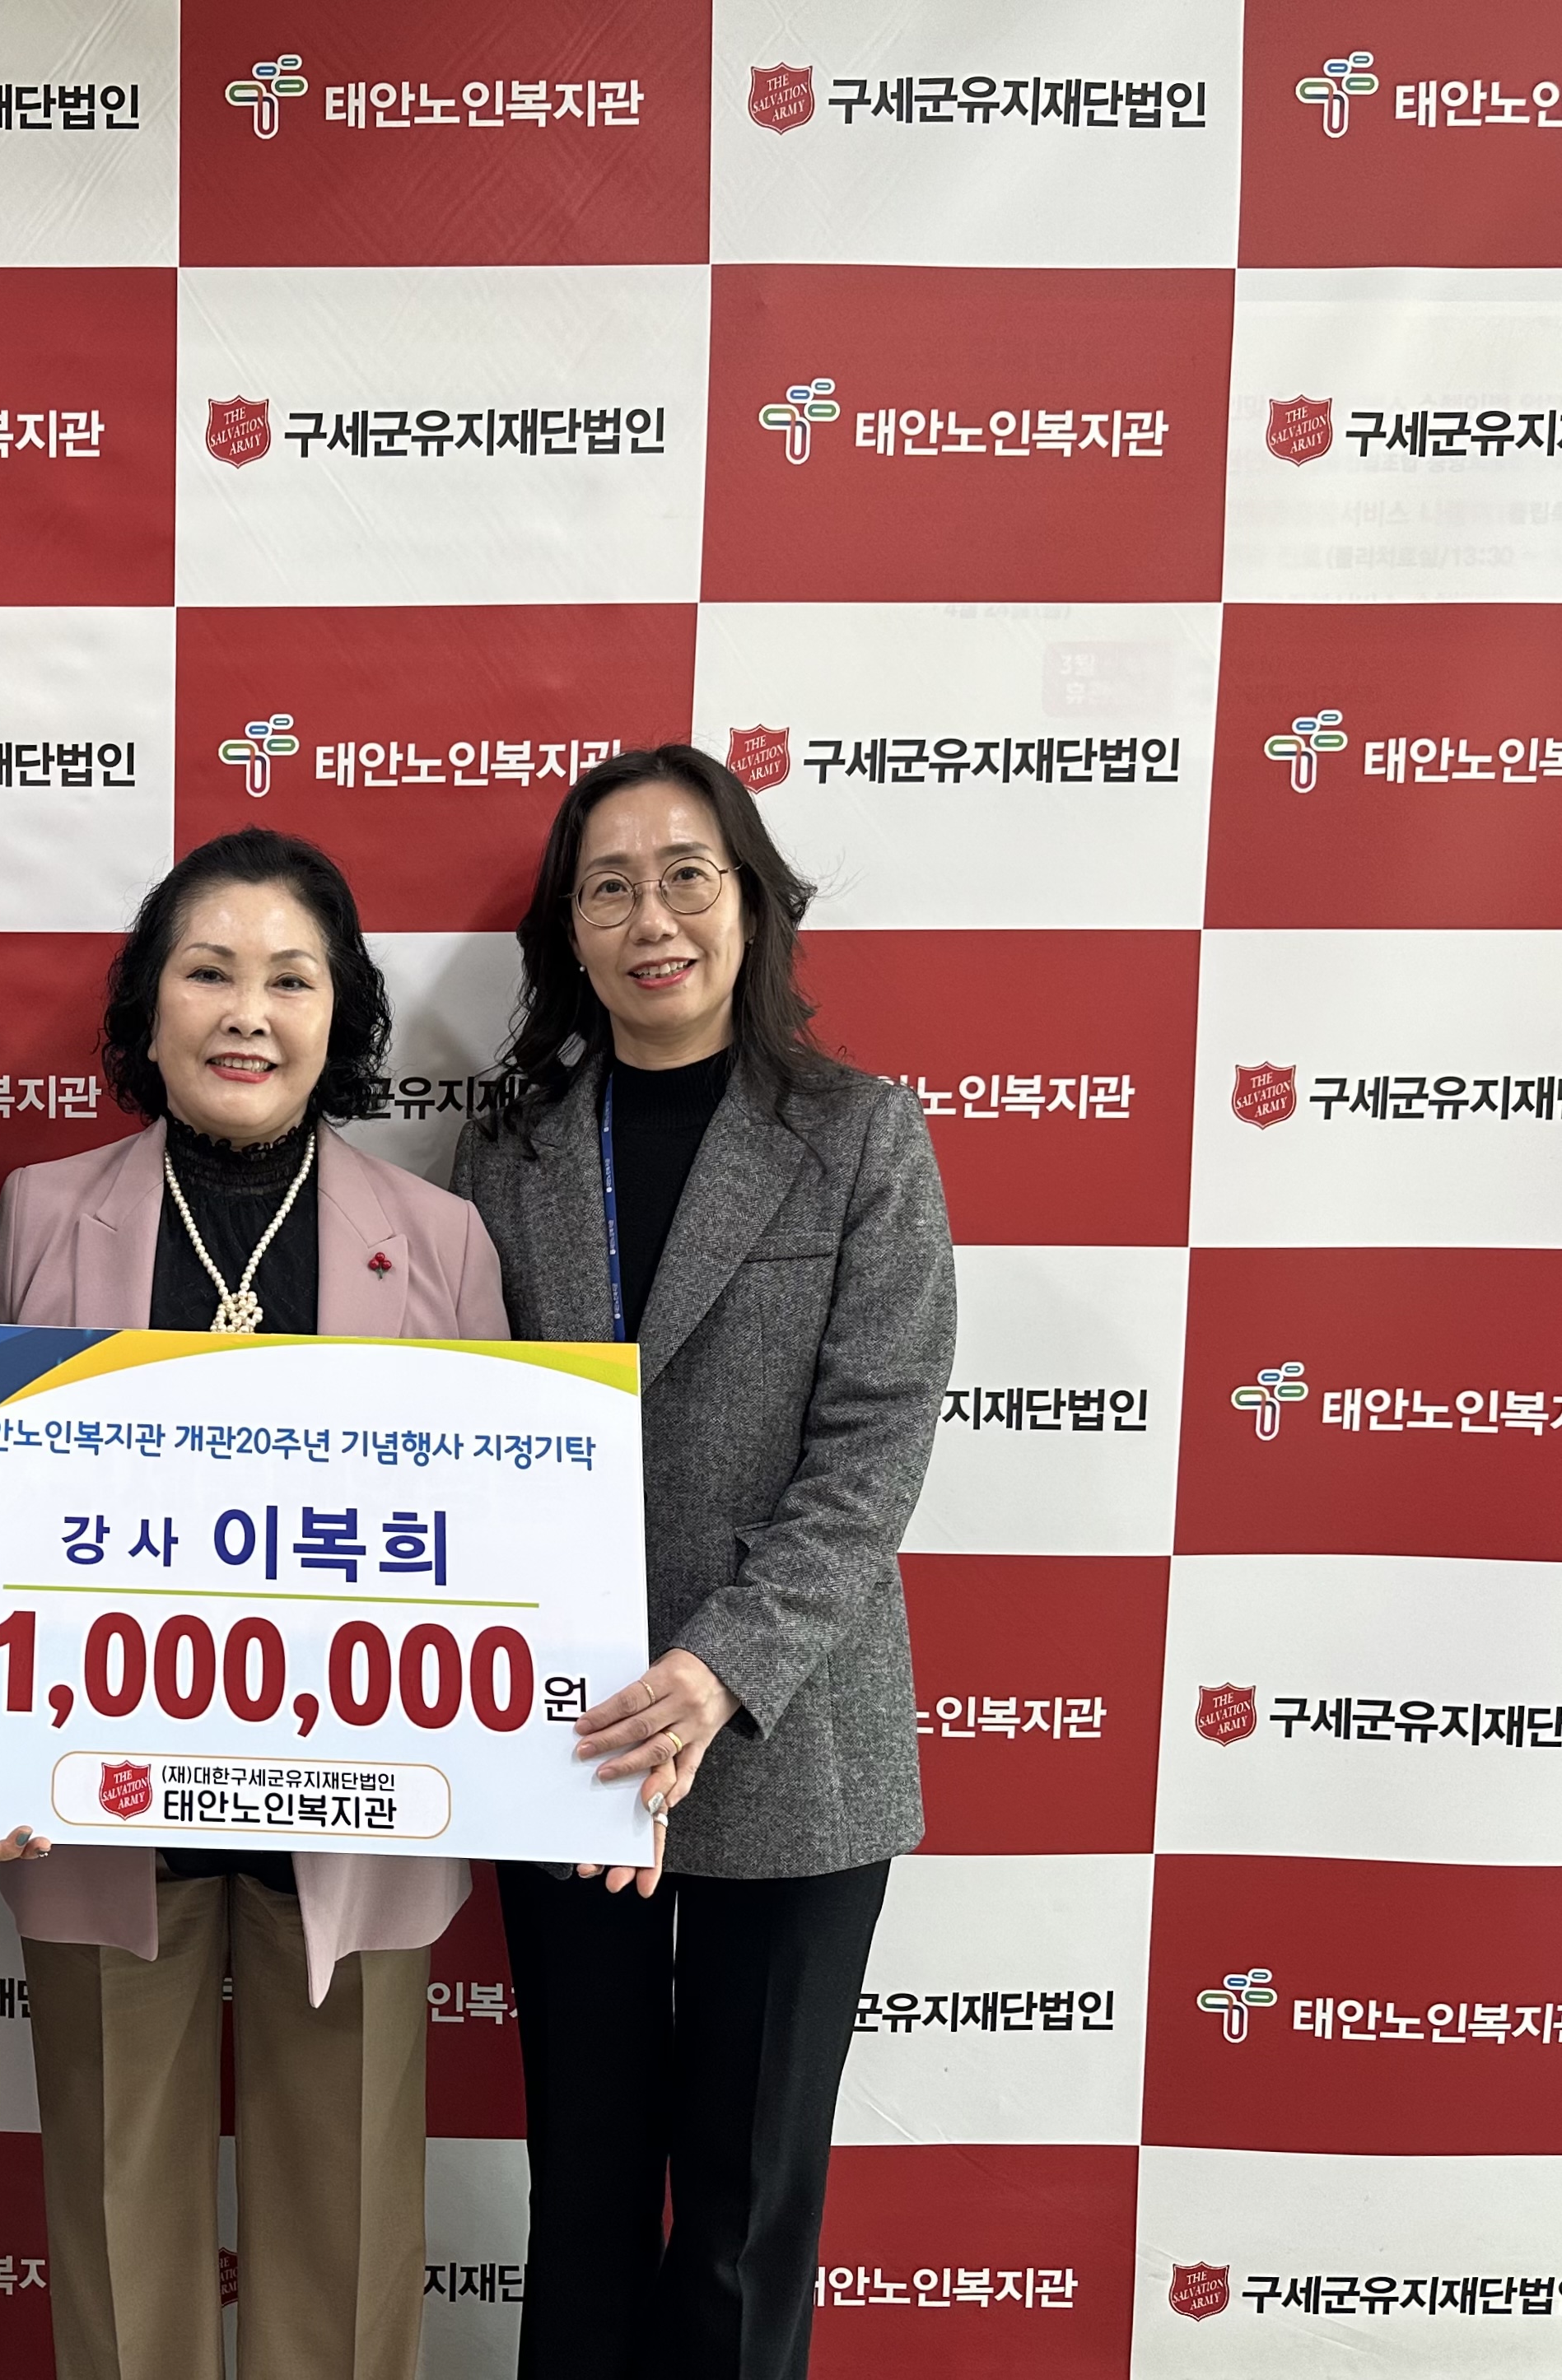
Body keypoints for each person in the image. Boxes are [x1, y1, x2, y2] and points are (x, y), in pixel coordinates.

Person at [0, 827, 506, 2380]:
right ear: (148, 1009)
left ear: (343, 1016)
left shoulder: (441, 1239)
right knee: (116, 2214)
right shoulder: (37, 1214)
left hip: (362, 1812)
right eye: (208, 972)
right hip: (94, 1809)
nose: (248, 1013)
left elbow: (496, 1549)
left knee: (347, 2233)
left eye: (292, 979)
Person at [450, 746, 954, 2380]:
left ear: (750, 904)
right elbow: (470, 1436)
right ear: (568, 931)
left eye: (687, 876)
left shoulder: (862, 1134)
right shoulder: (511, 1152)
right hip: (568, 1733)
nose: (651, 918)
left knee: (744, 2215)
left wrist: (721, 1666)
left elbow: (874, 1449)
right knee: (584, 2193)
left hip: (791, 1736)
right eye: (608, 887)